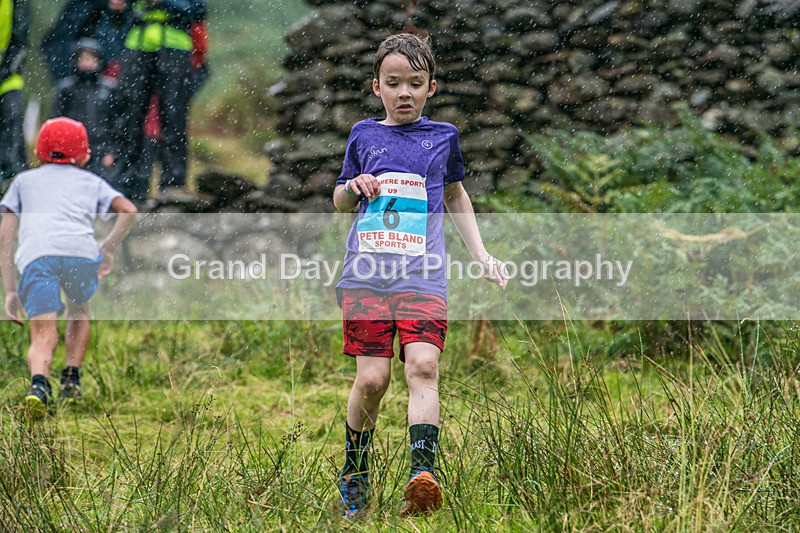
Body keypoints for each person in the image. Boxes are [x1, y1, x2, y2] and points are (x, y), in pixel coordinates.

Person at [332, 33, 508, 518]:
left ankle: (421, 476)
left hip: (424, 276)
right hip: (366, 275)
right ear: (376, 87)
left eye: (414, 83)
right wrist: (354, 185)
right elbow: (340, 200)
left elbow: (455, 196)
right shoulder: (363, 135)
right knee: (372, 380)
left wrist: (482, 255)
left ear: (431, 87)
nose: (403, 92)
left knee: (424, 368)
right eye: (393, 83)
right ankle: (355, 477)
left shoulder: (443, 137)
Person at [0, 117, 137, 417]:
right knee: (78, 311)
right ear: (84, 155)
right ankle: (71, 378)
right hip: (80, 254)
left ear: (39, 151)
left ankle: (38, 386)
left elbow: (5, 234)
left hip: (38, 256)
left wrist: (11, 290)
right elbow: (128, 210)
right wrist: (108, 248)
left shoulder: (22, 181)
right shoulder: (91, 181)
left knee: (43, 332)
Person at [116, 0, 206, 201]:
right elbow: (118, 16)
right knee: (130, 117)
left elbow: (198, 9)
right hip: (138, 45)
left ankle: (172, 185)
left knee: (174, 117)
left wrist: (164, 2)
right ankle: (127, 186)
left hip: (175, 46)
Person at [52, 38, 121, 181]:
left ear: (99, 61)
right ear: (76, 61)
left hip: (102, 152)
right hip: (73, 152)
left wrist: (113, 151)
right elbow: (57, 121)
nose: (87, 63)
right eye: (83, 59)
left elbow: (118, 123)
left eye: (91, 59)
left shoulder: (110, 89)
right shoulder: (66, 89)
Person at [0, 0, 29, 187]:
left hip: (7, 78)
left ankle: (14, 179)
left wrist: (7, 69)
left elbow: (21, 41)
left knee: (12, 125)